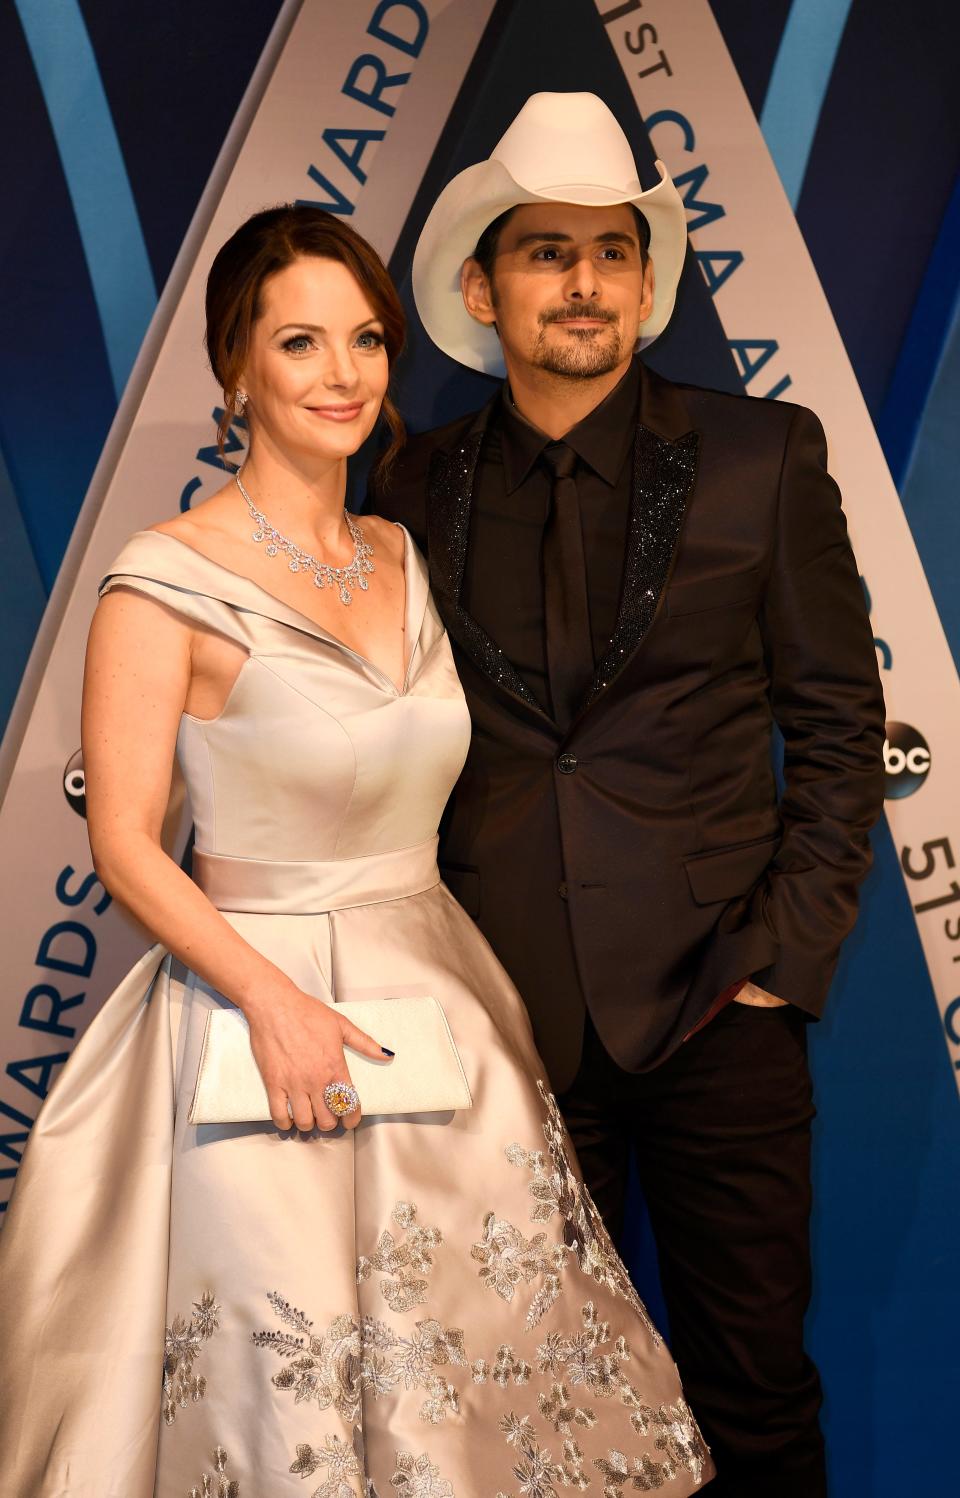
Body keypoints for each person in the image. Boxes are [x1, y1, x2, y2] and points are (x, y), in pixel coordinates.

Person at [0, 205, 712, 1497]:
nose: (343, 374)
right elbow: (123, 841)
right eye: (301, 342)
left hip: (440, 1019)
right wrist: (275, 1003)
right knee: (291, 1416)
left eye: (367, 340)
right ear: (237, 368)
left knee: (472, 1410)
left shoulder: (395, 552)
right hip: (253, 1027)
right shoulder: (163, 580)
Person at [376, 93, 886, 1498]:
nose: (584, 281)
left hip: (720, 1006)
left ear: (648, 282)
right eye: (547, 251)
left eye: (611, 251)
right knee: (541, 1408)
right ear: (484, 286)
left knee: (752, 1390)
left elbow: (841, 730)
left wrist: (781, 963)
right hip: (503, 1030)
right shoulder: (413, 485)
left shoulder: (761, 460)